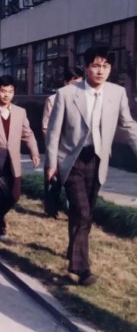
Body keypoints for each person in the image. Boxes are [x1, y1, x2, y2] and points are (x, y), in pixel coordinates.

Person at [46, 46, 136, 286]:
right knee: (82, 212)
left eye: (105, 66)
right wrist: (51, 164)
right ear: (86, 67)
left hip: (98, 160)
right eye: (96, 65)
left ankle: (73, 251)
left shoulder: (117, 93)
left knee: (83, 212)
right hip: (72, 160)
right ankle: (81, 269)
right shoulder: (67, 93)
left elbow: (128, 125)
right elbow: (53, 132)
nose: (101, 71)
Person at [0, 75, 40, 240]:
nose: (6, 95)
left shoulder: (20, 112)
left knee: (14, 195)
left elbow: (28, 134)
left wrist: (34, 152)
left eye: (10, 91)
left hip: (13, 161)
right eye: (3, 91)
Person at [41, 67, 84, 218]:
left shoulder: (85, 101)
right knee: (54, 181)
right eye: (73, 82)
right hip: (58, 148)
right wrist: (53, 147)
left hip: (76, 149)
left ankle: (73, 210)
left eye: (80, 82)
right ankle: (51, 210)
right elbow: (46, 127)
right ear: (66, 82)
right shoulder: (53, 100)